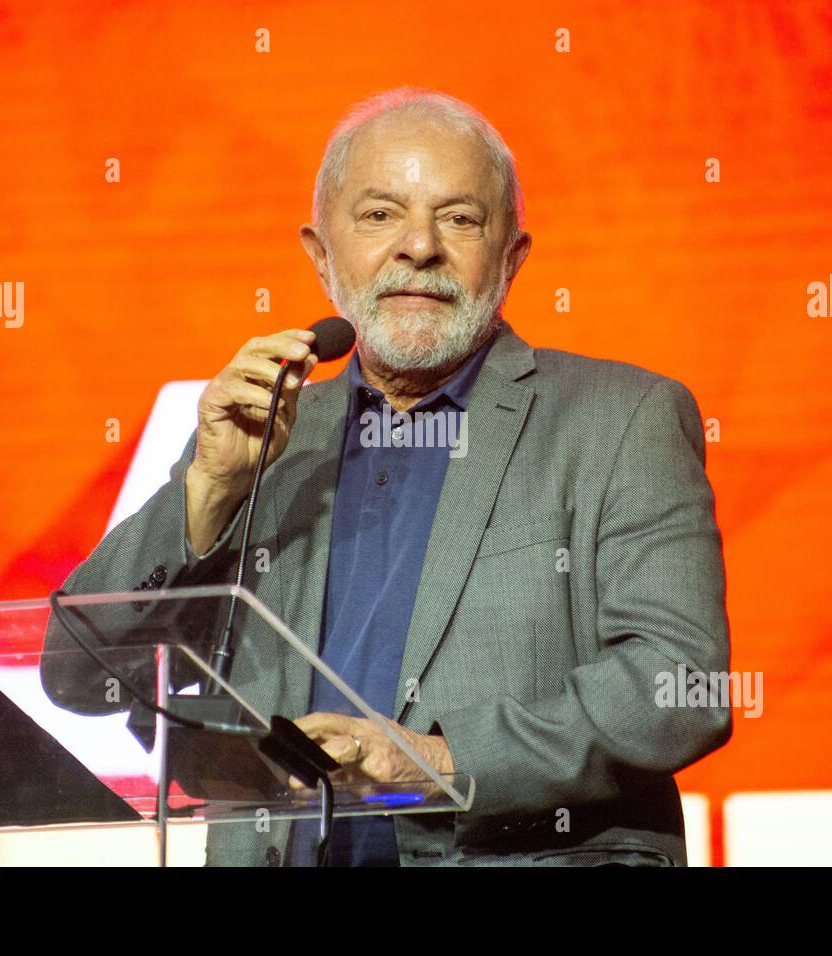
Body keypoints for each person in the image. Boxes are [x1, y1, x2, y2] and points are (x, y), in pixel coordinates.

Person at [41, 87, 732, 866]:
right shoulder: (268, 439)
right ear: (320, 255)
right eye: (379, 215)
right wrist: (208, 491)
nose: (419, 247)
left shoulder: (620, 419)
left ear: (512, 258)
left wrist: (436, 761)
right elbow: (76, 674)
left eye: (460, 218)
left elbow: (680, 686)